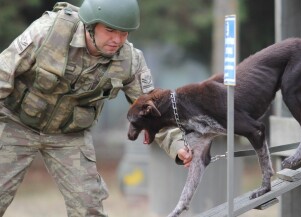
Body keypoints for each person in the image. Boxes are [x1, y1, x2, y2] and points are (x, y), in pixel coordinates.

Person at [0, 0, 192, 216]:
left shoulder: (129, 61)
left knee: (89, 207)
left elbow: (152, 111)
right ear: (90, 25)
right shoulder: (48, 32)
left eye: (124, 33)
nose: (117, 39)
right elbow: (3, 74)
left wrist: (178, 146)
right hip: (16, 122)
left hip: (68, 136)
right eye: (110, 30)